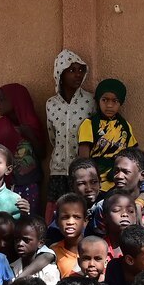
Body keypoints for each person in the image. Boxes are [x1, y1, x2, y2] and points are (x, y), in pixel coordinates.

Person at [46, 51, 94, 206]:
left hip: (81, 171)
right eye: (72, 70)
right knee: (55, 214)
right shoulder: (51, 104)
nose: (78, 74)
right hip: (58, 171)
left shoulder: (90, 101)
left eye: (81, 70)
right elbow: (52, 137)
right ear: (60, 73)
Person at [77, 78, 137, 191]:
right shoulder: (89, 124)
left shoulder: (125, 126)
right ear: (98, 100)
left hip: (120, 180)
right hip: (97, 182)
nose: (109, 105)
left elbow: (132, 155)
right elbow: (84, 159)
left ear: (121, 103)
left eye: (115, 101)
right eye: (105, 100)